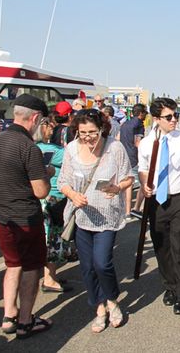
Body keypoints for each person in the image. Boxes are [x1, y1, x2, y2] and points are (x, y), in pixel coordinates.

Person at [58, 109, 134, 333]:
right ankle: (99, 307)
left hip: (107, 214)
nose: (88, 137)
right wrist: (73, 195)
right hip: (81, 215)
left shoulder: (114, 148)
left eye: (92, 132)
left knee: (102, 262)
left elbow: (128, 176)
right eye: (83, 133)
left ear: (102, 129)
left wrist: (117, 187)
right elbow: (63, 181)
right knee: (88, 267)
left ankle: (112, 300)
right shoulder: (72, 148)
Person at [0, 94, 54, 338]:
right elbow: (41, 191)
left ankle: (8, 316)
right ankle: (26, 320)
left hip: (0, 215)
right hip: (25, 218)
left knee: (12, 264)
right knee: (31, 268)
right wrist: (46, 171)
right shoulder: (29, 147)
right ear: (35, 118)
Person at [138, 97, 180, 315]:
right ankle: (169, 286)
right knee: (161, 246)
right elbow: (143, 168)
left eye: (175, 116)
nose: (174, 120)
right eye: (168, 117)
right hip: (157, 202)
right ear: (156, 119)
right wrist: (144, 185)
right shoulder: (146, 143)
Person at [34, 115, 72, 293]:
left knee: (50, 237)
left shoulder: (34, 148)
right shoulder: (54, 151)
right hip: (54, 197)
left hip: (44, 198)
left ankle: (51, 275)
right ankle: (49, 278)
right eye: (50, 124)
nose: (53, 127)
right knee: (54, 238)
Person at [119, 103, 147, 219]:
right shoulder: (139, 124)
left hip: (123, 155)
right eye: (145, 112)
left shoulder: (125, 123)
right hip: (134, 157)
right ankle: (133, 209)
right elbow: (137, 142)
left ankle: (124, 211)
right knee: (140, 183)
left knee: (125, 183)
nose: (146, 115)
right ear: (140, 114)